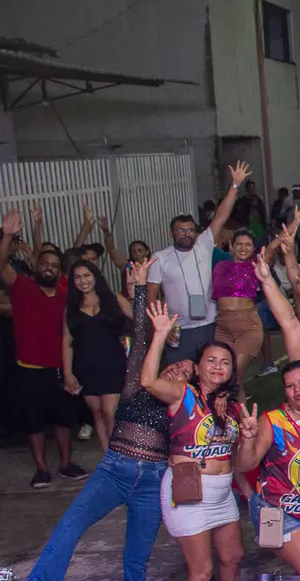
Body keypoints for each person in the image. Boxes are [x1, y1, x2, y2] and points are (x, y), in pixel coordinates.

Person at [11, 261, 177, 581]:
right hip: (115, 470)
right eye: (169, 369)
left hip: (151, 482)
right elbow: (140, 339)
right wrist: (140, 293)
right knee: (68, 529)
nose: (174, 373)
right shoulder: (136, 385)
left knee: (136, 562)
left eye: (182, 370)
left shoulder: (182, 404)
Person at [140, 300, 247, 581]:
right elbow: (148, 382)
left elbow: (236, 458)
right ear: (197, 367)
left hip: (222, 493)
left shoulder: (231, 407)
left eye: (225, 362)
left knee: (232, 557)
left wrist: (248, 437)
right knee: (202, 570)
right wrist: (159, 335)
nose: (218, 367)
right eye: (211, 360)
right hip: (189, 492)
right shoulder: (183, 395)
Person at [0, 211, 88, 487]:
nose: (49, 268)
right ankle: (41, 468)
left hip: (61, 367)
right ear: (36, 266)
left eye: (54, 265)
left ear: (59, 271)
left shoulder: (65, 294)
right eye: (44, 263)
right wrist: (7, 235)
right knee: (34, 421)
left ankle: (65, 464)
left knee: (64, 420)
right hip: (29, 368)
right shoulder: (22, 286)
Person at [235, 361, 300, 576]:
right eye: (290, 386)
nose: (297, 390)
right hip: (277, 512)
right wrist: (247, 440)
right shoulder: (273, 421)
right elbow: (246, 465)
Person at [148, 162, 250, 364]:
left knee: (210, 372)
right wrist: (160, 326)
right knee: (179, 373)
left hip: (209, 325)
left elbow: (221, 216)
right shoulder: (160, 258)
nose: (186, 234)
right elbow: (152, 295)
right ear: (171, 233)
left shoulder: (204, 244)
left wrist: (235, 185)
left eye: (190, 230)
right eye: (180, 230)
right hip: (178, 328)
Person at [62, 258, 132, 450]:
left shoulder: (116, 299)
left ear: (96, 276)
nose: (83, 281)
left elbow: (138, 324)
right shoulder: (71, 308)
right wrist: (68, 373)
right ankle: (107, 456)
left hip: (113, 363)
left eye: (87, 275)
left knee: (110, 411)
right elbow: (67, 342)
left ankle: (119, 454)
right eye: (77, 277)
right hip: (86, 366)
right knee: (97, 413)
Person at [210, 229, 268, 389]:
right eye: (239, 244)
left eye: (248, 245)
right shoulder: (220, 266)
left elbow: (274, 247)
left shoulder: (255, 266)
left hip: (248, 327)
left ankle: (224, 401)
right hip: (222, 327)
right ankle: (237, 406)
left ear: (254, 248)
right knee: (234, 380)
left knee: (232, 375)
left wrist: (295, 223)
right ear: (232, 245)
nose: (243, 248)